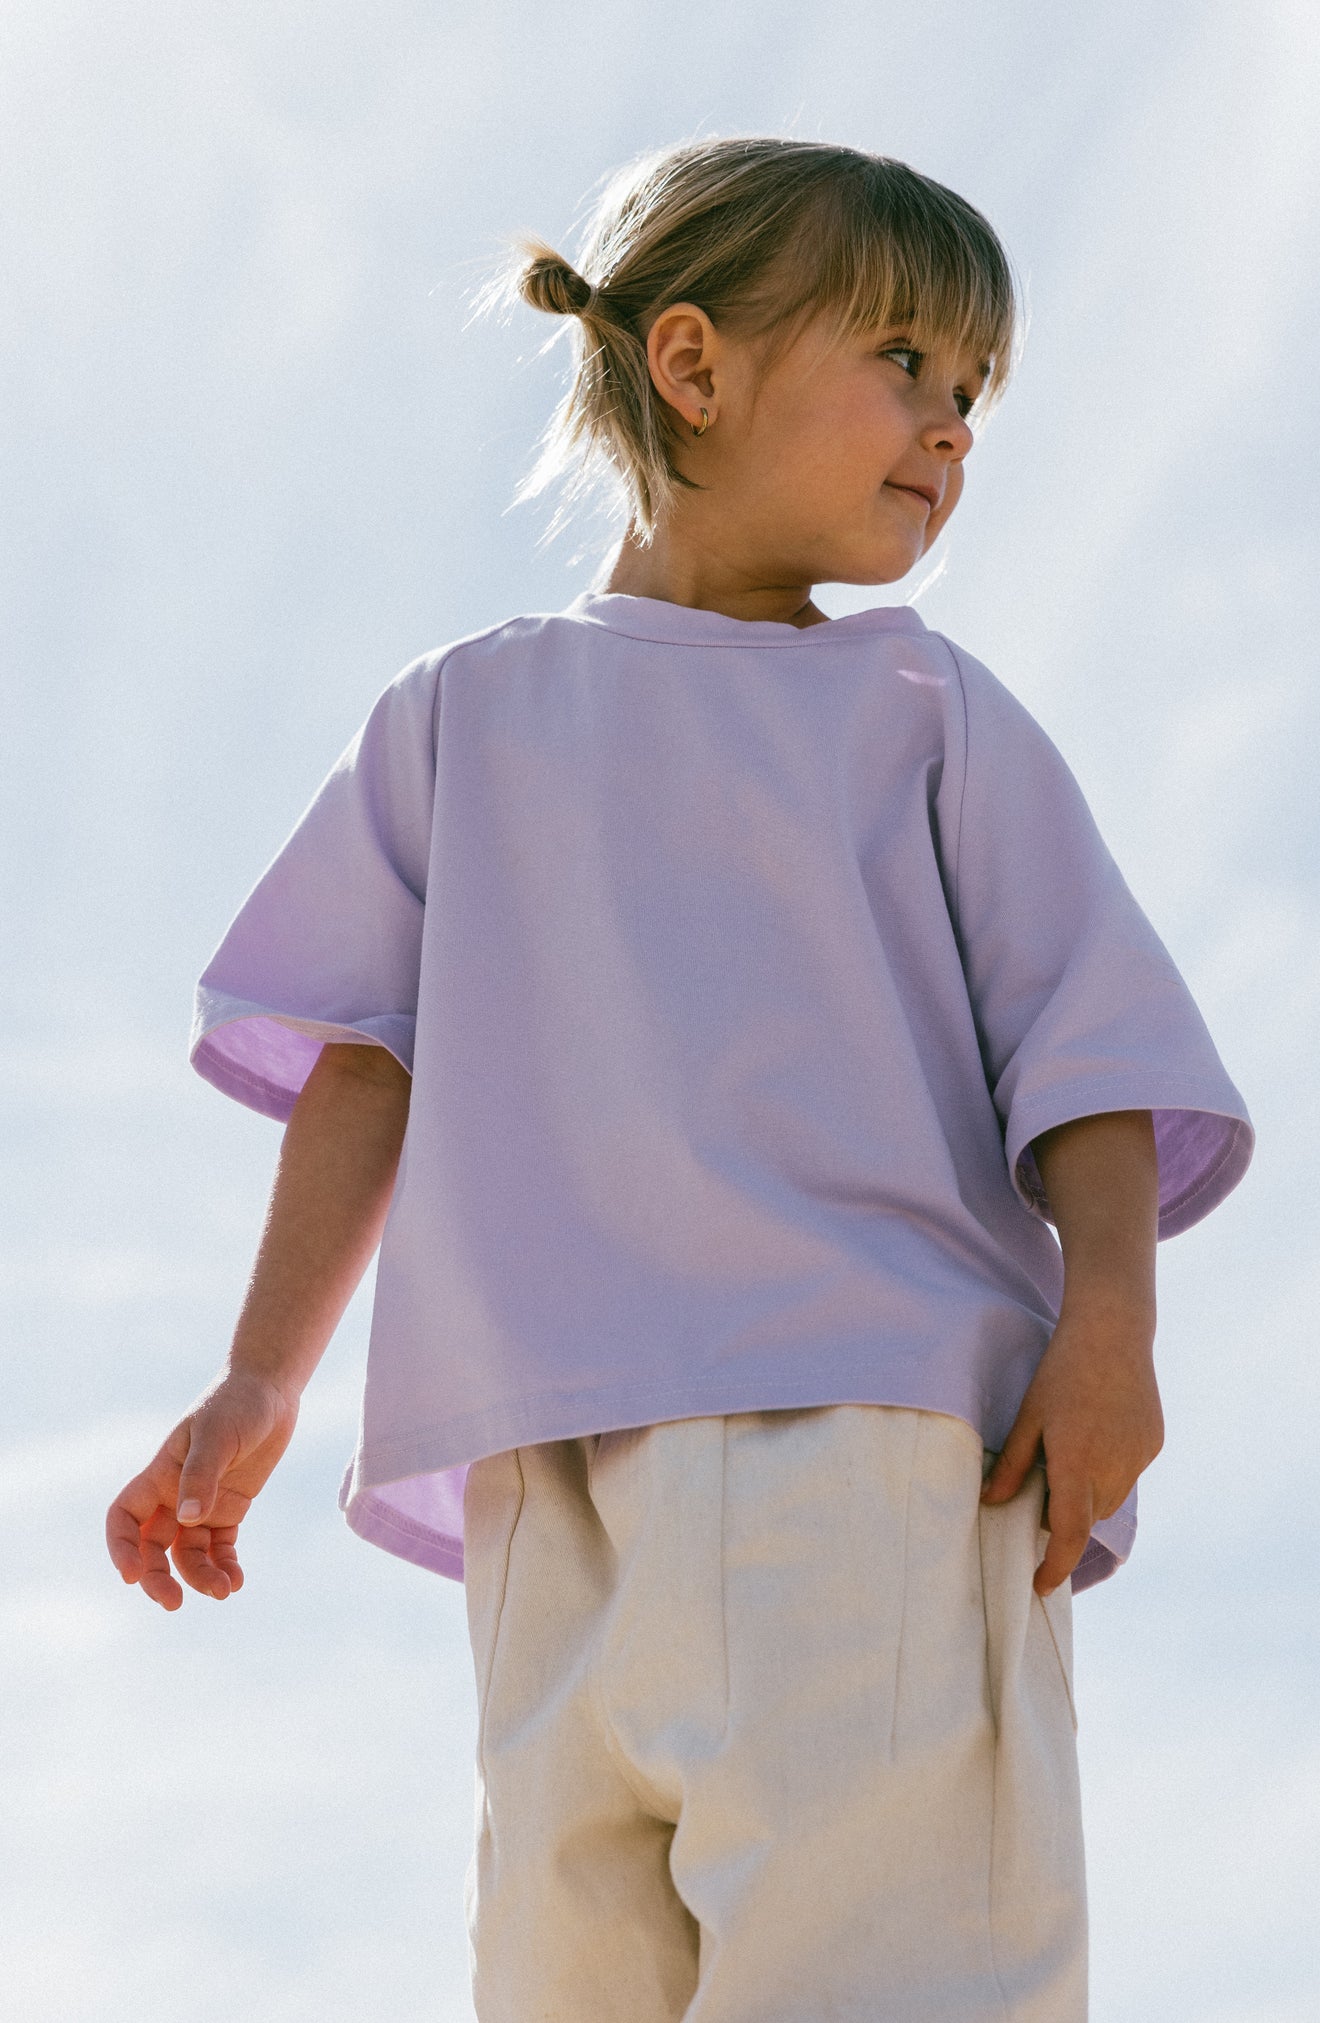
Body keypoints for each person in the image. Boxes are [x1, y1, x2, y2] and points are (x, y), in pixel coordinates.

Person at [106, 136, 1254, 2021]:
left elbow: (1089, 1052)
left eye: (974, 393)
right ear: (694, 365)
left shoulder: (926, 713)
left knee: (895, 1982)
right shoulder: (457, 716)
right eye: (904, 360)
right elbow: (365, 1064)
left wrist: (1113, 1320)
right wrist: (259, 1381)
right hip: (544, 1479)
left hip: (877, 1453)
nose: (951, 425)